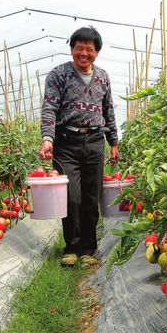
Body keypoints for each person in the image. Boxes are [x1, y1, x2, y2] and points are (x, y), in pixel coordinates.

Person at [38, 26, 119, 267]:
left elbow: (109, 110)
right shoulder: (58, 75)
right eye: (79, 48)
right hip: (66, 143)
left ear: (97, 52)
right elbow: (49, 109)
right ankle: (71, 248)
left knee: (91, 198)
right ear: (72, 49)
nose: (83, 53)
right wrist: (47, 139)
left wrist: (113, 142)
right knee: (71, 198)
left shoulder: (103, 77)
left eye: (89, 49)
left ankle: (88, 248)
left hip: (95, 142)